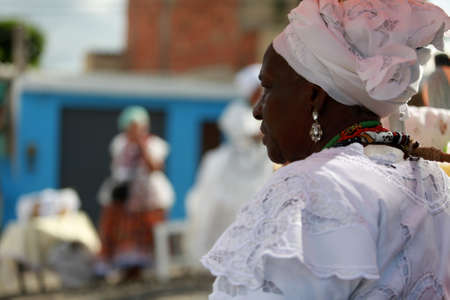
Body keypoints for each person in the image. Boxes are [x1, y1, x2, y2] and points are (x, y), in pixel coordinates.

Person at [202, 0, 450, 299]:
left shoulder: (311, 186)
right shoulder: (433, 181)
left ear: (314, 97)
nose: (257, 110)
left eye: (268, 88)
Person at [186, 65, 273, 265]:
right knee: (231, 214)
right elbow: (246, 135)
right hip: (236, 172)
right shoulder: (237, 111)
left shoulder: (268, 110)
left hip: (260, 169)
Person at [96, 106, 174, 280]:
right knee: (123, 231)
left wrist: (141, 144)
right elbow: (118, 168)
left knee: (149, 230)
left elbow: (154, 167)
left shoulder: (154, 144)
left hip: (149, 197)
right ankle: (126, 268)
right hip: (126, 196)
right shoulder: (119, 144)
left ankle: (147, 267)